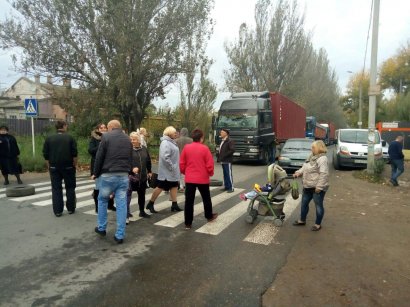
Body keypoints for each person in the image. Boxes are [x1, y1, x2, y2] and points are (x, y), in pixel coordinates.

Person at [93, 120, 132, 244]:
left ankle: (102, 228)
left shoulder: (106, 137)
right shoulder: (127, 138)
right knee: (121, 204)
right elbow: (130, 157)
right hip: (123, 175)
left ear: (110, 128)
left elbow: (99, 156)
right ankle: (119, 235)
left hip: (108, 174)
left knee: (103, 200)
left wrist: (96, 173)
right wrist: (128, 171)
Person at [180, 129, 218, 229]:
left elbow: (182, 163)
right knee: (206, 198)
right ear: (201, 138)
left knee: (189, 201)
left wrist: (185, 172)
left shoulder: (186, 148)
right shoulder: (205, 149)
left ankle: (188, 223)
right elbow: (210, 164)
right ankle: (209, 216)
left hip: (190, 178)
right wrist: (210, 173)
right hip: (202, 178)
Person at [42, 121, 78, 217]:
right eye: (66, 126)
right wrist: (75, 164)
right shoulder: (70, 138)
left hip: (54, 167)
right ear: (64, 126)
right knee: (70, 187)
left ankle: (58, 211)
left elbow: (45, 154)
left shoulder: (49, 138)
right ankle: (70, 208)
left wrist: (49, 165)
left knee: (56, 188)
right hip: (68, 166)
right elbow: (74, 153)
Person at [293, 140, 329, 231]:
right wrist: (298, 173)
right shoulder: (311, 156)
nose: (311, 149)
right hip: (307, 186)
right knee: (304, 204)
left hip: (317, 188)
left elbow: (324, 174)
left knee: (318, 206)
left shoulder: (322, 158)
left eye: (313, 147)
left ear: (319, 148)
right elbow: (304, 167)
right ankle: (302, 220)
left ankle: (318, 224)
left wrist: (319, 187)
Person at [146, 126, 182, 213]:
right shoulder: (165, 142)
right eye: (174, 132)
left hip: (172, 171)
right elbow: (165, 157)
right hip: (167, 171)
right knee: (160, 187)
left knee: (174, 186)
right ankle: (150, 203)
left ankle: (174, 204)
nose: (176, 133)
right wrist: (172, 167)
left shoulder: (171, 142)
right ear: (169, 133)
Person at [88, 123, 116, 212]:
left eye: (105, 127)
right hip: (98, 166)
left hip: (108, 165)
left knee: (110, 186)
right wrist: (101, 144)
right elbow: (91, 150)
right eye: (101, 128)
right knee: (98, 187)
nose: (103, 129)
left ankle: (110, 205)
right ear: (98, 130)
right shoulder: (94, 139)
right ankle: (97, 207)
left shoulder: (110, 138)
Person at [127, 132, 152, 221]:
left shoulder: (144, 149)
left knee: (142, 194)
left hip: (142, 177)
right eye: (131, 139)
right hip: (131, 177)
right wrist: (131, 169)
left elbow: (148, 160)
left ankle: (142, 211)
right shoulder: (128, 150)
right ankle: (126, 212)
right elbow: (124, 163)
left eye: (134, 139)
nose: (132, 141)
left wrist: (149, 171)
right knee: (128, 195)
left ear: (139, 140)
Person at [217, 128, 235, 193]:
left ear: (226, 133)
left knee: (229, 174)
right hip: (223, 160)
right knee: (225, 174)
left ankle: (231, 188)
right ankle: (226, 186)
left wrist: (224, 155)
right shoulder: (223, 140)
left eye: (222, 132)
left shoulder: (230, 141)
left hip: (227, 160)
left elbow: (232, 150)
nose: (220, 133)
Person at [175, 127, 193, 192]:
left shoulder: (177, 140)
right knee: (187, 172)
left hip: (179, 157)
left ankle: (181, 186)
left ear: (181, 132)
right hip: (188, 158)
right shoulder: (191, 140)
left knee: (179, 172)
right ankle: (186, 185)